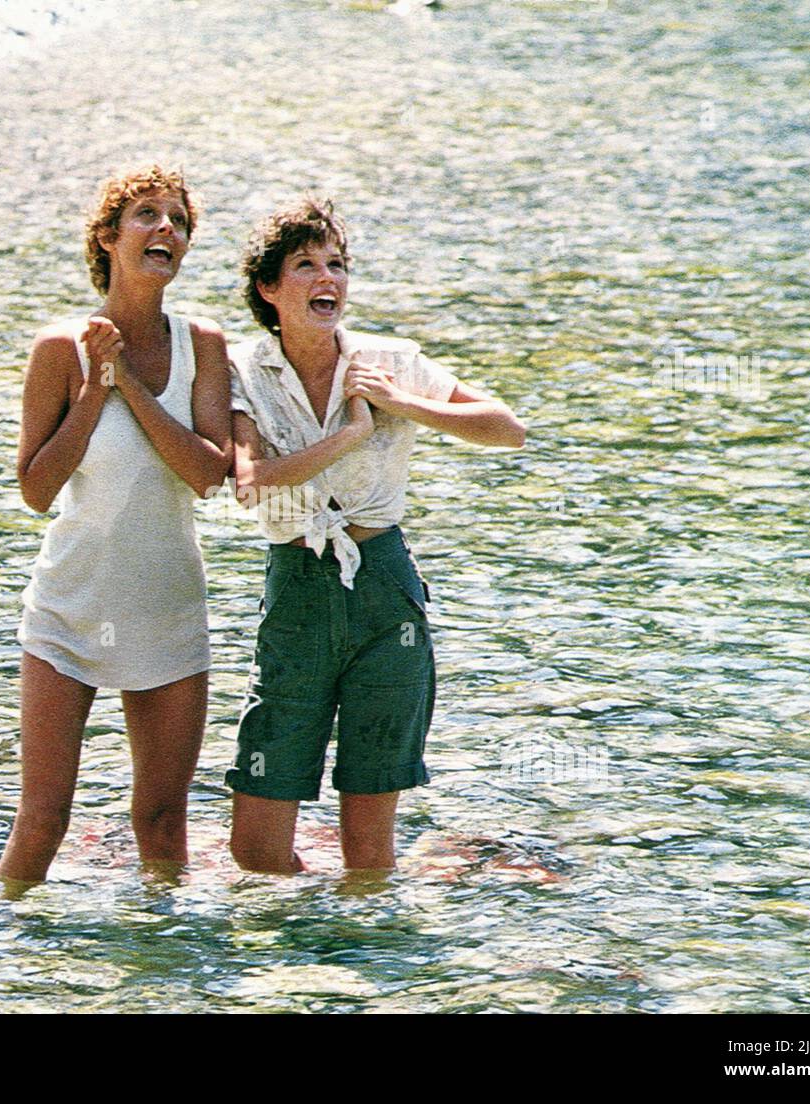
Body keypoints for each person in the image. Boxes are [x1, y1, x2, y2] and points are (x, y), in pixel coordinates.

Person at [226, 197, 526, 874]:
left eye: (335, 264)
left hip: (385, 590)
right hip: (297, 587)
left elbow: (508, 430)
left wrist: (401, 404)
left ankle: (356, 969)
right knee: (255, 845)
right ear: (269, 288)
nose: (326, 278)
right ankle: (293, 960)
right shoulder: (241, 367)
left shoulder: (387, 359)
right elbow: (252, 481)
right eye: (305, 265)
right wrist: (354, 435)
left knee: (367, 848)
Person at [0, 166, 232, 891]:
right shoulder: (59, 349)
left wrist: (128, 379)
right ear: (108, 238)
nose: (167, 228)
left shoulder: (204, 345)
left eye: (179, 221)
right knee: (45, 820)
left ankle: (166, 985)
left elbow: (207, 473)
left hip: (165, 607)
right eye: (148, 216)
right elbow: (36, 490)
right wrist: (96, 389)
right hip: (71, 610)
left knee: (162, 822)